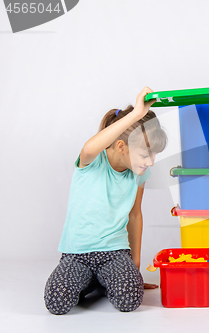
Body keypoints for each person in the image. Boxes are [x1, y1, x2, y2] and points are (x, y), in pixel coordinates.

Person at [44, 87, 168, 315]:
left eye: (154, 156)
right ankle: (95, 282)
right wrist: (136, 115)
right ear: (121, 147)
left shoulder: (139, 174)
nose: (150, 162)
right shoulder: (91, 161)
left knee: (130, 300)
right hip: (77, 253)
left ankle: (104, 281)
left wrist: (135, 266)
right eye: (145, 155)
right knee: (57, 302)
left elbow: (134, 215)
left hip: (114, 252)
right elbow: (89, 147)